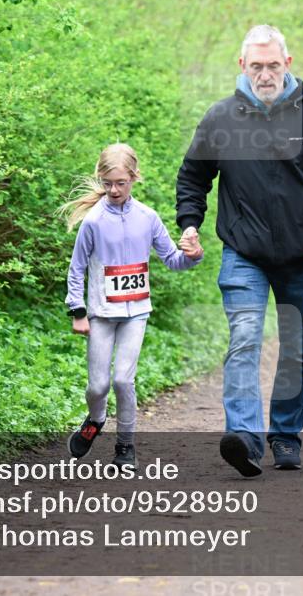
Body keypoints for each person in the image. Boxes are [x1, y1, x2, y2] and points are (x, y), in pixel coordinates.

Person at [175, 24, 303, 476]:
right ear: (242, 66)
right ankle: (246, 439)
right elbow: (193, 176)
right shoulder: (221, 118)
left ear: (288, 63)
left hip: (300, 259)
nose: (266, 73)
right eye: (257, 66)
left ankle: (286, 436)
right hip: (244, 254)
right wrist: (190, 223)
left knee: (295, 348)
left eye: (273, 64)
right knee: (246, 339)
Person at [61, 143, 203, 468]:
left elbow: (172, 259)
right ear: (101, 179)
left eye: (120, 183)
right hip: (101, 314)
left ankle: (126, 447)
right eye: (108, 183)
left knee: (124, 380)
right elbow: (77, 268)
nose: (113, 189)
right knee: (98, 385)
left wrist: (193, 256)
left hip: (136, 312)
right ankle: (95, 420)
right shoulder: (94, 221)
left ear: (134, 178)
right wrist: (77, 310)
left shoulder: (148, 218)